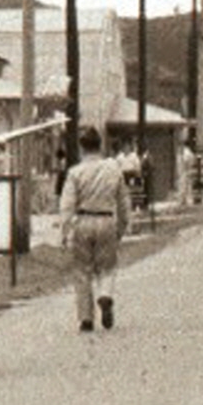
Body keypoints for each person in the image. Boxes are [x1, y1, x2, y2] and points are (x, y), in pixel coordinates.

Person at [58, 125, 129, 332]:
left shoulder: (75, 172)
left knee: (82, 270)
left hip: (83, 221)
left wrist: (65, 230)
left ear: (82, 148)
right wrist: (122, 227)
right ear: (101, 146)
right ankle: (105, 295)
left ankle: (86, 317)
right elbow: (123, 202)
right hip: (106, 220)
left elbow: (67, 205)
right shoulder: (114, 170)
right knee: (107, 266)